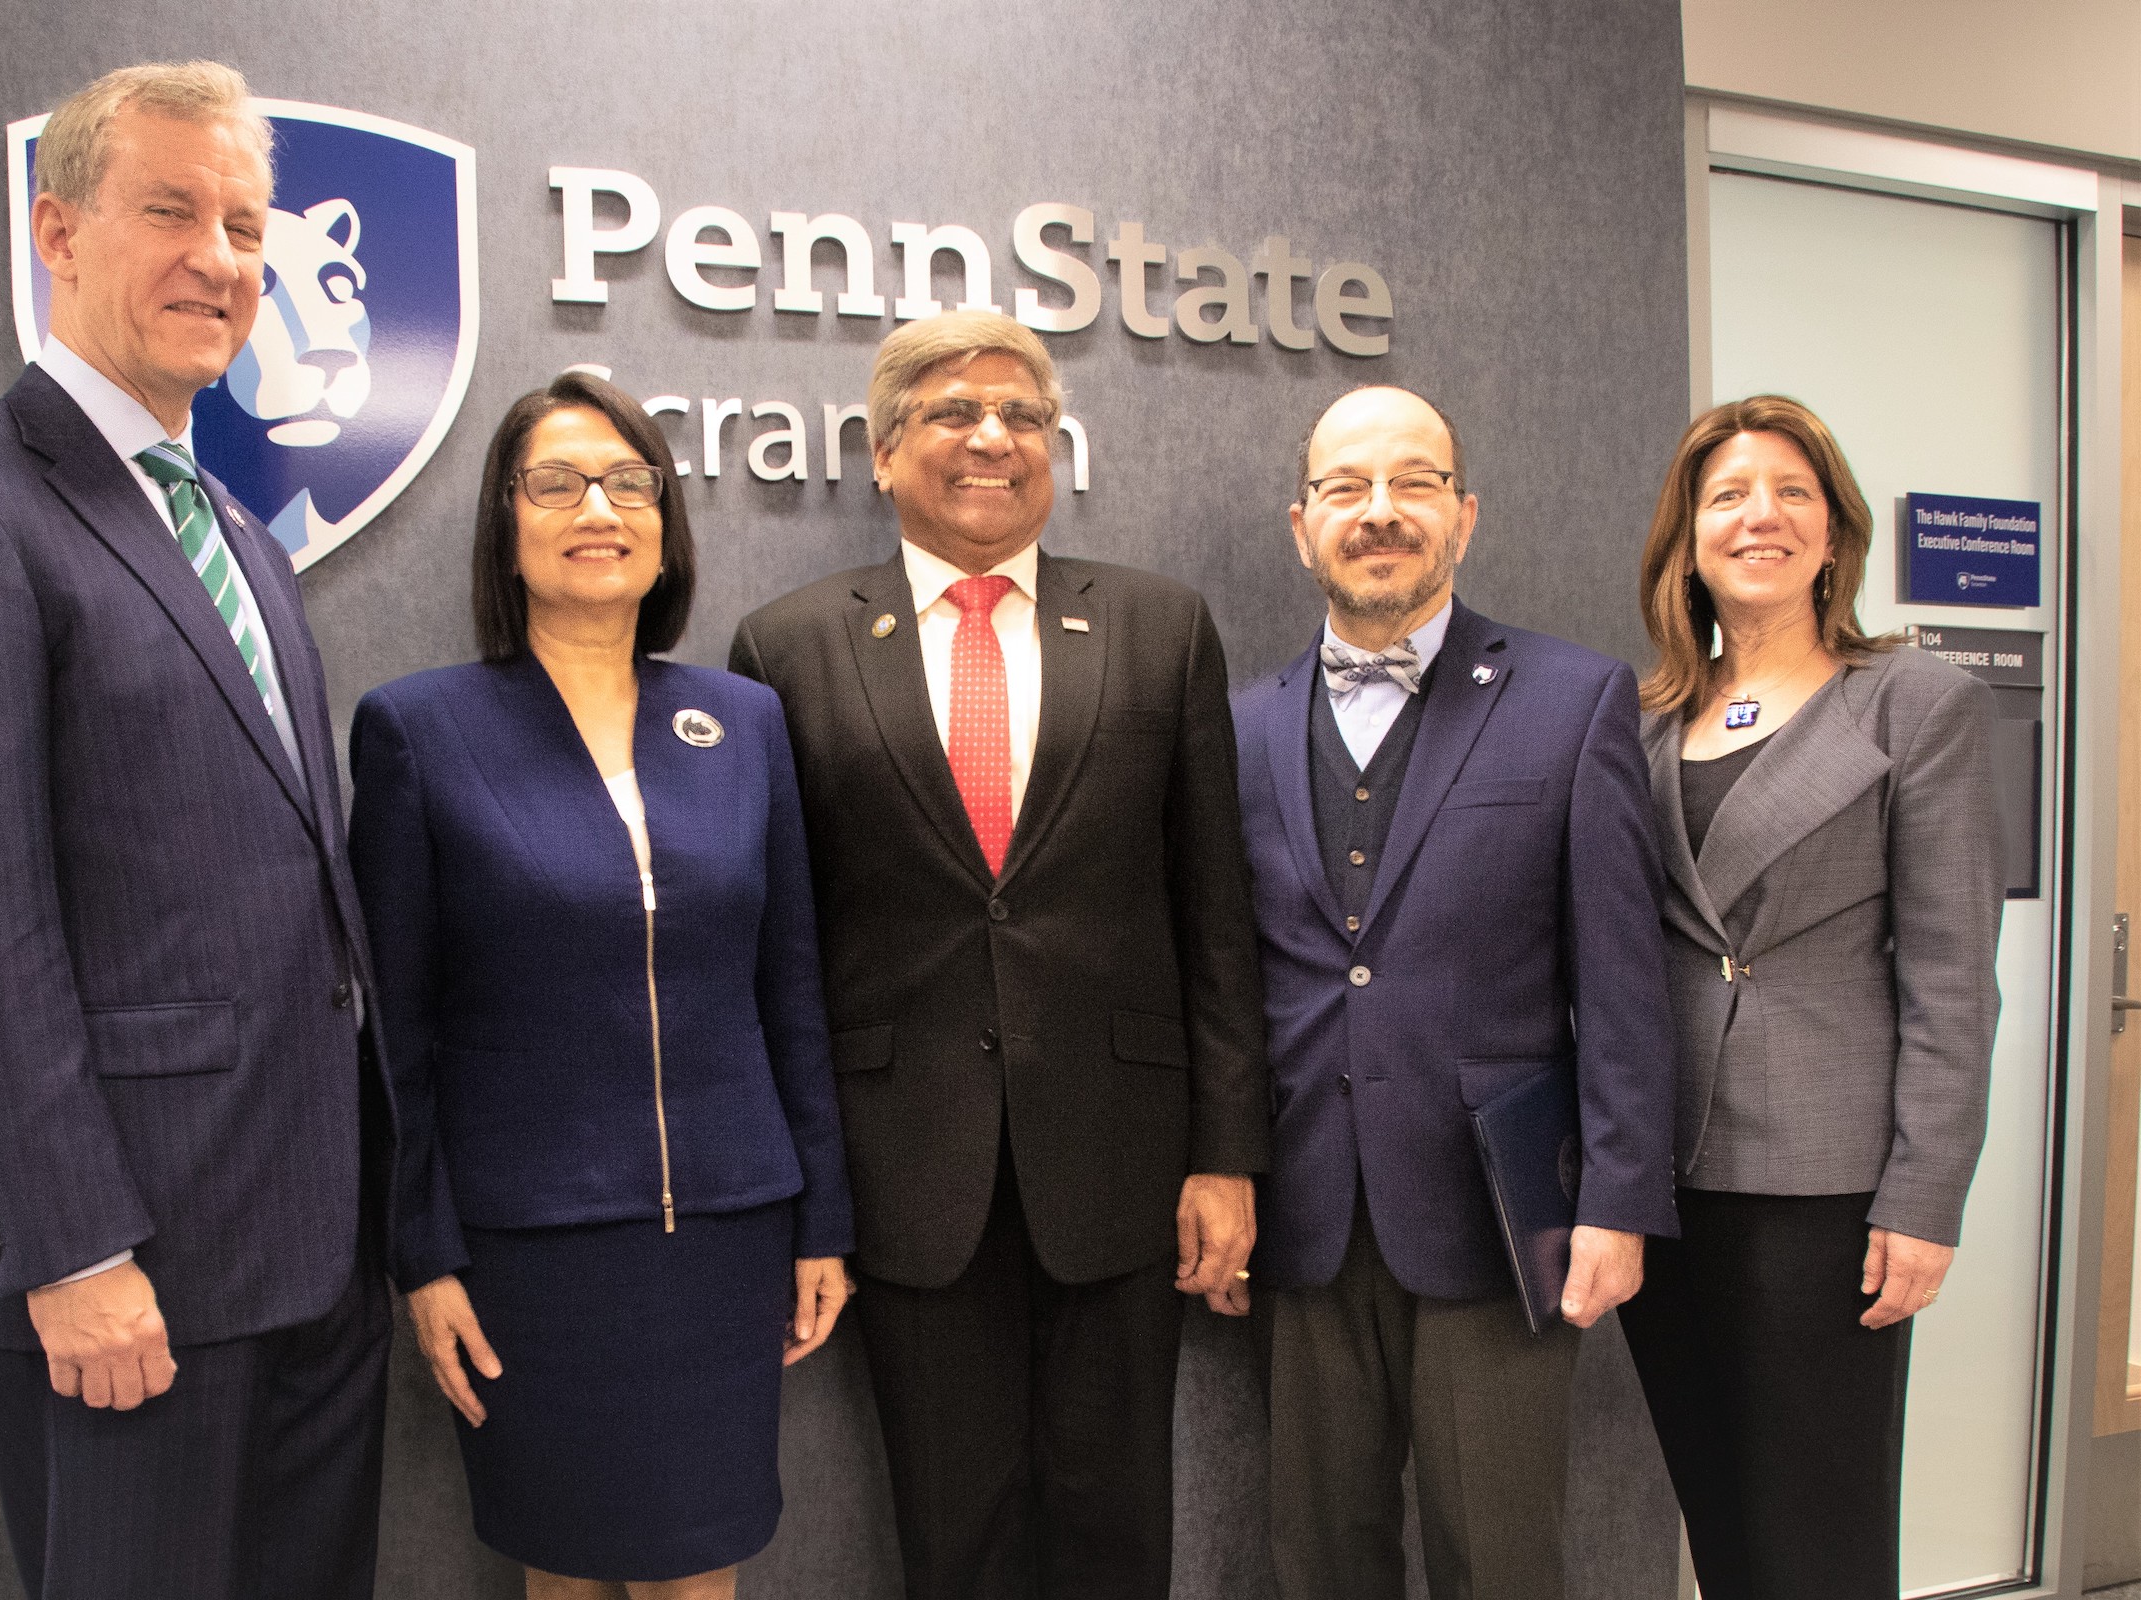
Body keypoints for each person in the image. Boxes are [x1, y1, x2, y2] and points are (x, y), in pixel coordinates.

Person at [0, 62, 393, 1600]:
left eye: (246, 225)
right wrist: (73, 1251)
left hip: (315, 1246)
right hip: (134, 1270)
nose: (221, 258)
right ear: (58, 231)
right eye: (172, 210)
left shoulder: (243, 540)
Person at [729, 310, 1269, 1600]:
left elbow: (1215, 912)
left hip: (1125, 1157)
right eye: (953, 413)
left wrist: (1228, 1152)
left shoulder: (1159, 625)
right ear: (882, 448)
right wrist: (807, 1188)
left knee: (1116, 1527)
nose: (992, 438)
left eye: (1023, 415)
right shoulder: (786, 646)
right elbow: (781, 950)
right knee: (952, 1534)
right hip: (906, 1164)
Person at [348, 371, 852, 1600]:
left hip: (727, 1235)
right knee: (563, 1573)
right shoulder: (421, 729)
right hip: (536, 1251)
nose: (600, 508)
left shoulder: (742, 722)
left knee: (701, 1572)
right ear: (506, 523)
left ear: (666, 524)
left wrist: (823, 1216)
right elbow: (394, 1033)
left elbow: (790, 989)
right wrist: (422, 1255)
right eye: (560, 481)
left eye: (632, 483)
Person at [1231, 384, 1679, 1600]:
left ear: (1464, 515)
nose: (1381, 512)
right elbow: (1224, 984)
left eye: (1414, 482)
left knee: (1501, 1561)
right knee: (1318, 1558)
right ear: (1301, 522)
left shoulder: (1572, 699)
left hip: (1503, 1211)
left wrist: (1623, 1198)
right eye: (1347, 488)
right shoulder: (1240, 727)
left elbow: (1624, 979)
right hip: (1308, 1214)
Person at [1616, 394, 2002, 1599]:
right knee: (1719, 1513)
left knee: (1818, 1536)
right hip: (1667, 1175)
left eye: (1792, 493)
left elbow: (1951, 976)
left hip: (1826, 1185)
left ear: (1835, 534)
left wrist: (1926, 1198)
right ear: (1688, 541)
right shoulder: (1642, 718)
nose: (1759, 517)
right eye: (1727, 496)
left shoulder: (1913, 703)